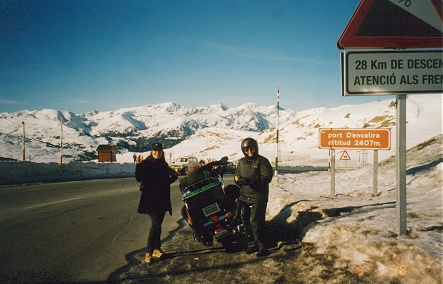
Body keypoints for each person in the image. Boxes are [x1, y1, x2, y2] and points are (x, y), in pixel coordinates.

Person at [135, 142, 178, 263]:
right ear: (151, 151)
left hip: (162, 200)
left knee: (158, 225)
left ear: (161, 152)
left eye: (158, 151)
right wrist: (138, 165)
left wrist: (174, 176)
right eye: (154, 150)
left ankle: (157, 249)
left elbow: (166, 182)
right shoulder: (146, 164)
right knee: (156, 225)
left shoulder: (164, 165)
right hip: (150, 200)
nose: (156, 152)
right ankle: (148, 252)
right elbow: (139, 178)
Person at [234, 138, 274, 257]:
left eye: (252, 148)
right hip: (244, 196)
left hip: (258, 196)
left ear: (256, 148)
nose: (250, 152)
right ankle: (252, 244)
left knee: (255, 222)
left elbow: (267, 178)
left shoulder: (262, 161)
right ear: (243, 150)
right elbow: (237, 175)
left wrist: (249, 181)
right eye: (246, 149)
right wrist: (237, 180)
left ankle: (263, 247)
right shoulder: (241, 162)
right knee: (246, 222)